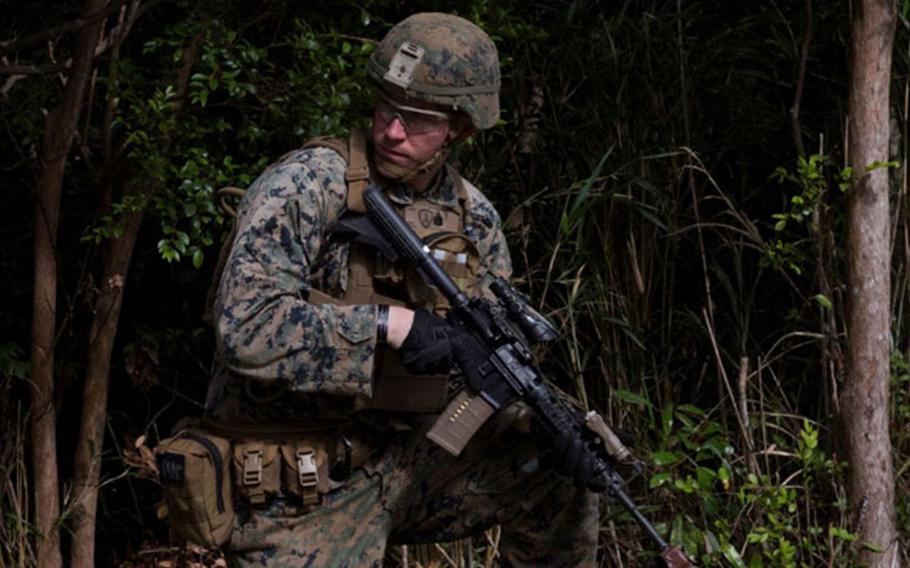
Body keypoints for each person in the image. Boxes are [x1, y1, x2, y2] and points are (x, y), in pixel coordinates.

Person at [204, 12, 599, 567]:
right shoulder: (307, 184)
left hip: (411, 463)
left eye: (417, 120)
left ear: (460, 128)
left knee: (555, 471)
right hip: (303, 481)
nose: (392, 130)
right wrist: (390, 327)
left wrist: (540, 423)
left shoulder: (472, 218)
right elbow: (243, 326)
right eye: (387, 109)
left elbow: (479, 365)